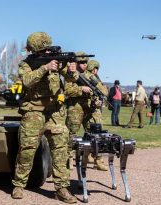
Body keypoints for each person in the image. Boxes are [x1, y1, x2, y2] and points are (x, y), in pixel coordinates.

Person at [11, 32, 78, 204]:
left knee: (61, 149)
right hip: (33, 111)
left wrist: (72, 71)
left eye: (47, 49)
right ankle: (19, 184)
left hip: (55, 112)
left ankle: (62, 188)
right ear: (34, 51)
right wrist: (45, 68)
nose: (47, 53)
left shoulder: (56, 61)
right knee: (27, 150)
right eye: (43, 51)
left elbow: (71, 78)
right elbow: (26, 81)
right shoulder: (26, 64)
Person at [65, 59, 108, 171]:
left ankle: (98, 160)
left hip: (90, 108)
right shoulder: (70, 75)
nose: (84, 64)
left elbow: (103, 90)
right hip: (76, 108)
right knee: (71, 134)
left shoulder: (91, 76)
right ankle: (68, 159)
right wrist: (80, 89)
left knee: (95, 133)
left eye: (85, 62)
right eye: (82, 62)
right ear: (76, 63)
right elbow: (66, 91)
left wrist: (98, 100)